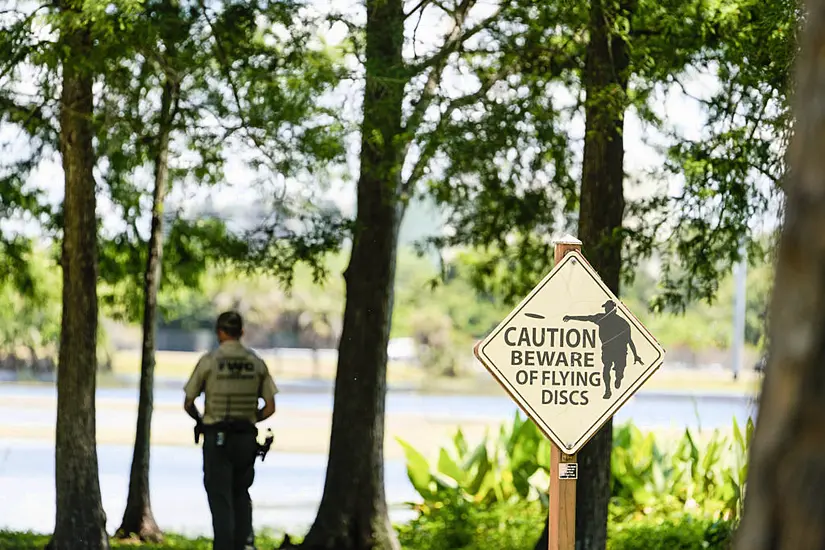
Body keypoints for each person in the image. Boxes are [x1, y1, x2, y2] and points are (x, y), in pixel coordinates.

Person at [183, 311, 278, 550]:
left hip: (217, 438)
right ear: (242, 332)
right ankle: (245, 544)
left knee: (220, 498)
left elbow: (188, 401)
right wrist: (248, 419)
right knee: (241, 494)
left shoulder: (209, 361)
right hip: (246, 438)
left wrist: (202, 420)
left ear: (220, 332)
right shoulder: (255, 363)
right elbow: (270, 407)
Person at [563, 300, 642, 399]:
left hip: (620, 351)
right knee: (606, 368)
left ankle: (618, 378)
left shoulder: (623, 323)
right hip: (607, 349)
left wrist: (635, 355)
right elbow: (587, 318)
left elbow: (629, 340)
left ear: (614, 310)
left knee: (619, 371)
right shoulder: (601, 318)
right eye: (606, 308)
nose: (606, 309)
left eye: (608, 308)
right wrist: (571, 317)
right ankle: (607, 390)